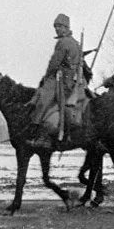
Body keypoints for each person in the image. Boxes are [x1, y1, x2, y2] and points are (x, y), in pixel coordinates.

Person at [27, 13, 82, 148]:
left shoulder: (63, 42)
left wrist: (46, 78)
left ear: (66, 27)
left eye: (59, 26)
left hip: (62, 81)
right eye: (55, 26)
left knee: (43, 98)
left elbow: (54, 63)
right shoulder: (75, 43)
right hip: (73, 81)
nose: (57, 29)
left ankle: (41, 134)